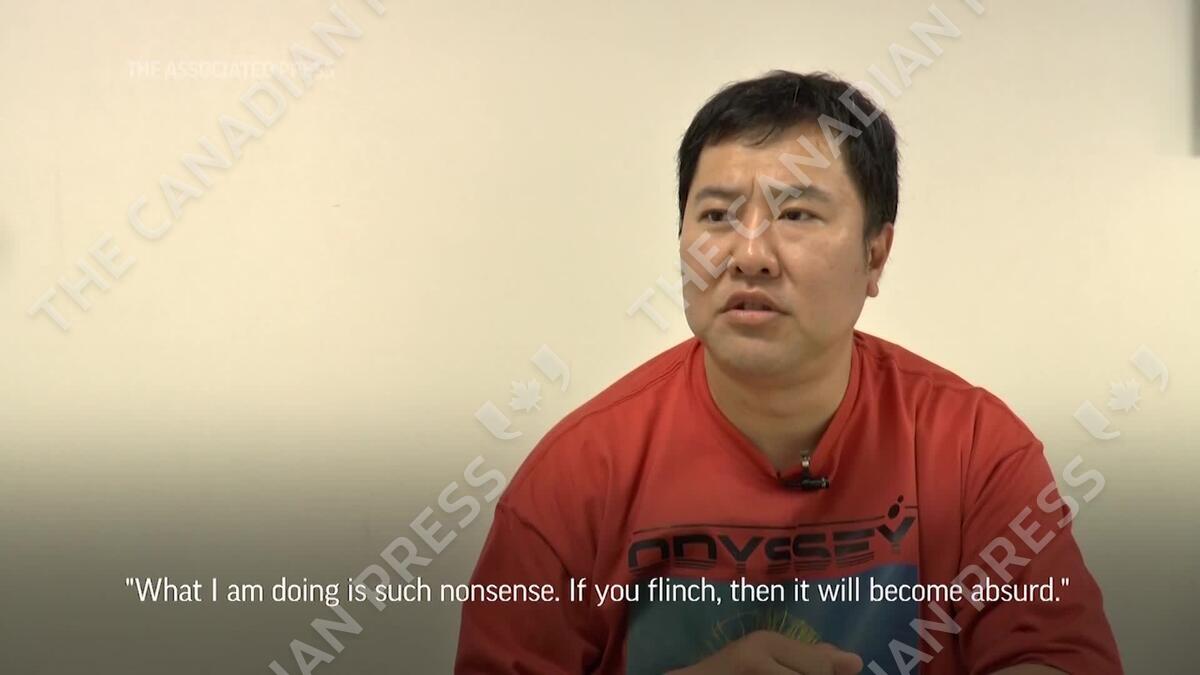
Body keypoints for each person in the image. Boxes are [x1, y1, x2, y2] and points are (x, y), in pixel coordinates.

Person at [455, 70, 1122, 674]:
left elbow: (1056, 655)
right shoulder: (577, 476)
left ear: (875, 255)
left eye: (796, 214)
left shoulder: (973, 449)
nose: (750, 255)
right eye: (717, 215)